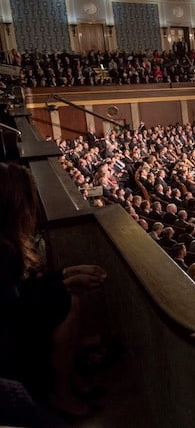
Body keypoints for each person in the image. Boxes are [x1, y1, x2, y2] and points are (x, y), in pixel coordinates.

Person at [0, 162, 107, 418]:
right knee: (63, 299)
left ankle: (71, 377)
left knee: (66, 295)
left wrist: (66, 274)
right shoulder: (2, 251)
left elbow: (21, 292)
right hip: (5, 338)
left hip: (10, 320)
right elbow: (12, 310)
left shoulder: (5, 243)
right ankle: (61, 394)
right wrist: (63, 283)